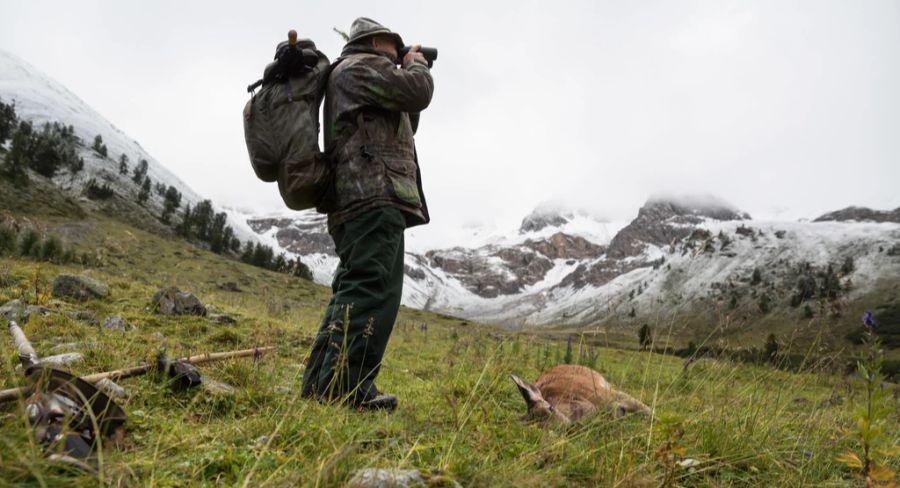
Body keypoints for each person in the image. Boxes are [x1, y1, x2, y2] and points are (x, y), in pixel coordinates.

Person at [300, 17, 434, 411]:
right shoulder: (360, 65)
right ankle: (346, 389)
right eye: (394, 45)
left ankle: (320, 385)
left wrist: (407, 66)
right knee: (375, 291)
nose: (398, 51)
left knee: (352, 289)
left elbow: (407, 115)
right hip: (373, 197)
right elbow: (418, 92)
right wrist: (417, 65)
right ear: (375, 41)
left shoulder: (353, 76)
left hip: (355, 200)